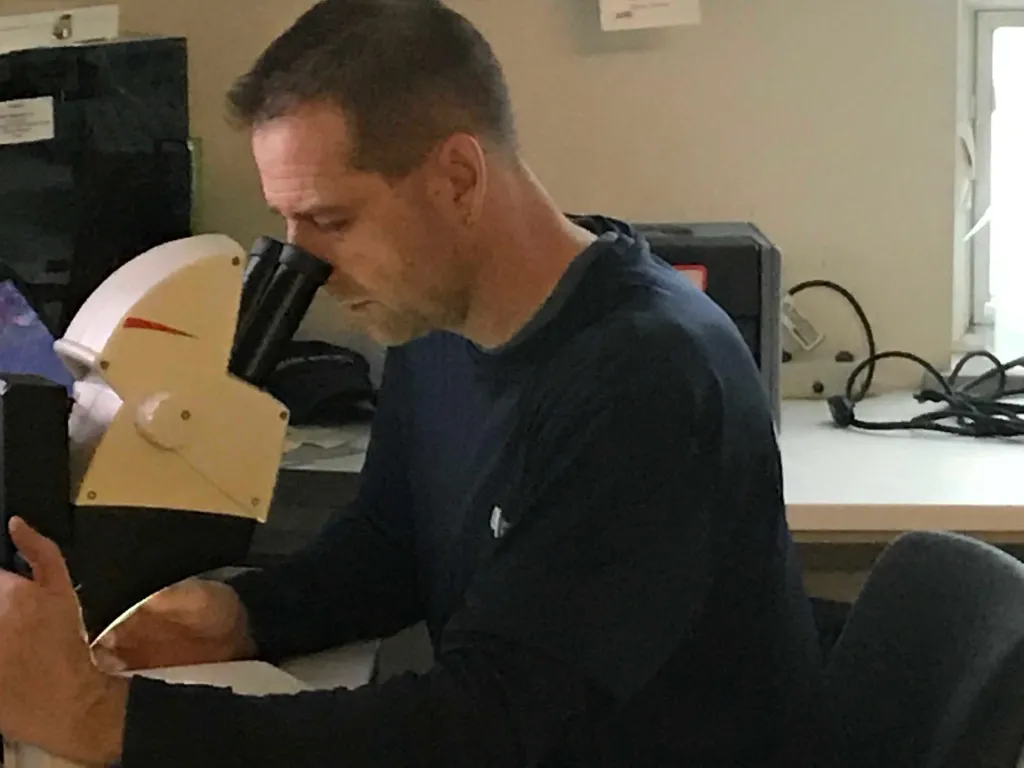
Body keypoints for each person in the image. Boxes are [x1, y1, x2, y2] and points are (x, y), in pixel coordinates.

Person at [0, 1, 837, 765]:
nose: (309, 267)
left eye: (331, 220)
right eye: (289, 224)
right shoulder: (436, 319)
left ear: (459, 179)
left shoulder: (644, 377)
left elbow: (494, 723)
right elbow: (393, 543)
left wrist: (111, 721)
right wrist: (248, 615)